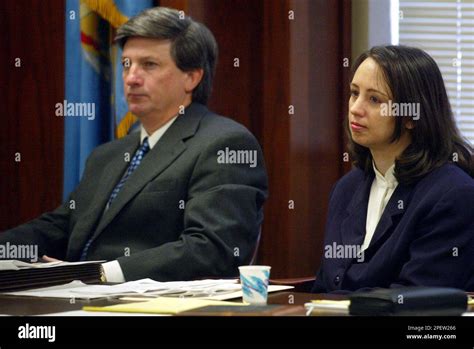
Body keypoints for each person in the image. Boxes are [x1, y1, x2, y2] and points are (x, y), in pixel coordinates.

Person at [0, 7, 268, 282]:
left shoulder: (224, 143)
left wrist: (101, 273)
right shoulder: (107, 154)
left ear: (192, 77)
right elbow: (63, 225)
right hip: (74, 296)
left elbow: (212, 250)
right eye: (127, 64)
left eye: (149, 65)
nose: (131, 78)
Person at [312, 45, 474, 293]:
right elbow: (325, 286)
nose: (356, 108)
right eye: (354, 93)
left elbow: (418, 298)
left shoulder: (453, 195)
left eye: (375, 99)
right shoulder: (346, 188)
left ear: (411, 116)